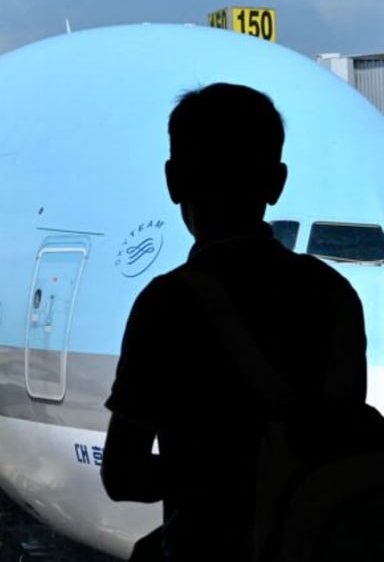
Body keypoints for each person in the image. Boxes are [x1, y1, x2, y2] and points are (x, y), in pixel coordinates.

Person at [100, 83, 367, 561]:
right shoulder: (334, 296)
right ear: (277, 183)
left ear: (173, 181)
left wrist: (210, 476)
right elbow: (344, 444)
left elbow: (122, 477)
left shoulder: (167, 304)